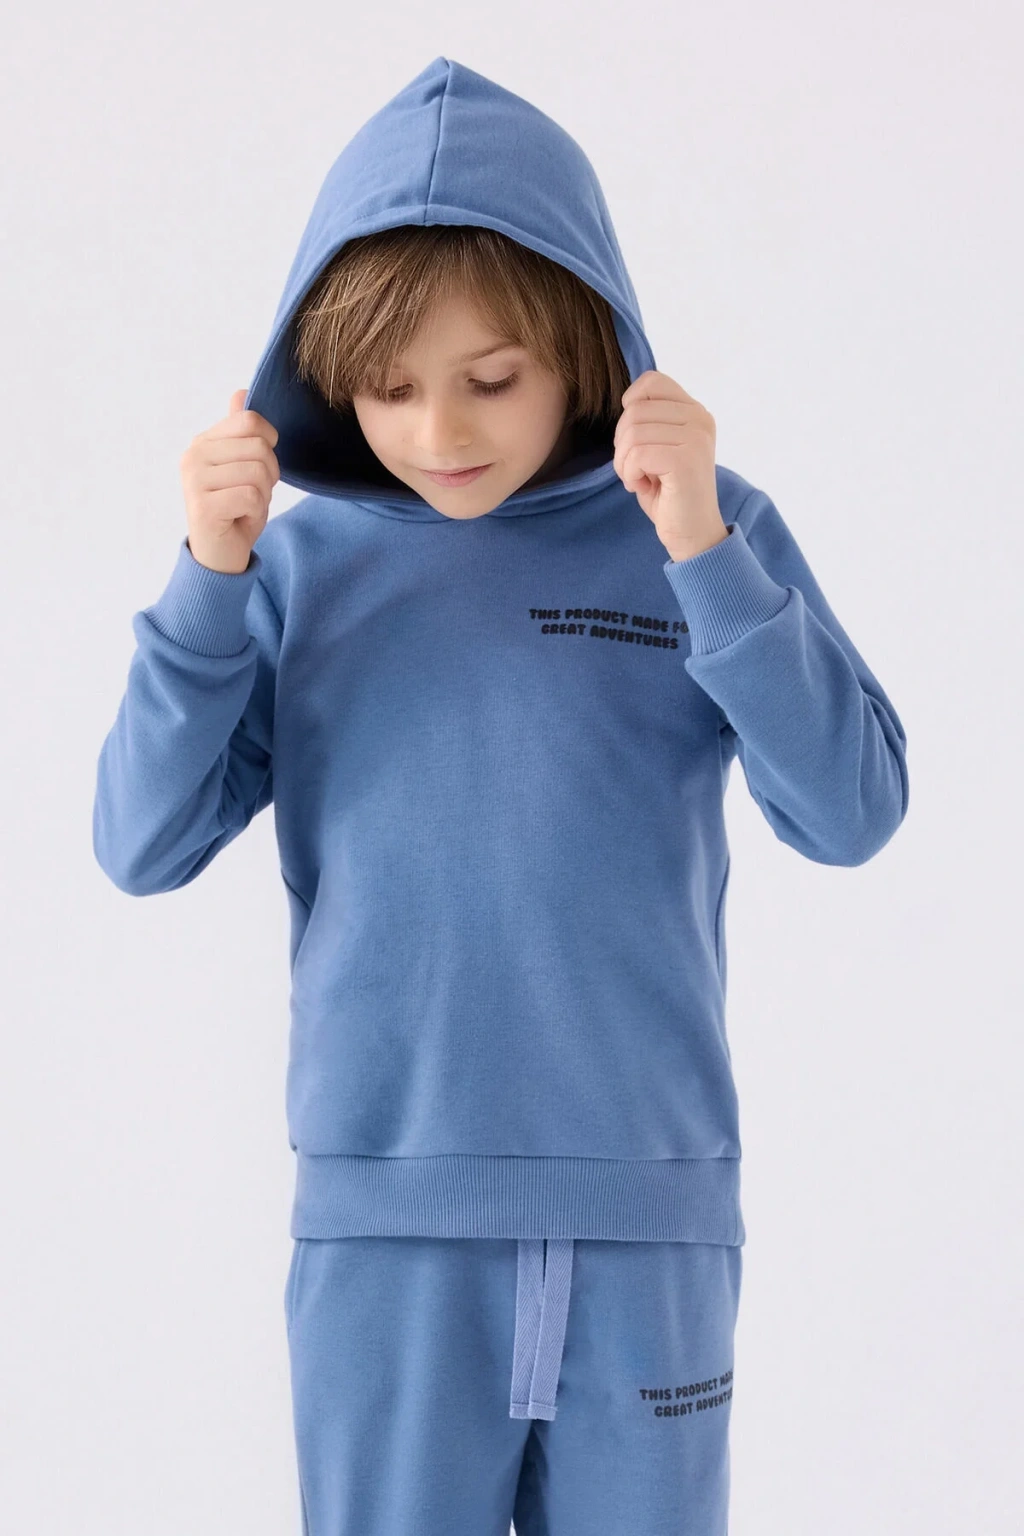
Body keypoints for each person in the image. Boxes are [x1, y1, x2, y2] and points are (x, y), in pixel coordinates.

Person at [92, 55, 909, 1536]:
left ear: (584, 349)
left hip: (651, 1221)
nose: (440, 434)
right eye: (390, 390)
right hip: (387, 1231)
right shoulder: (295, 569)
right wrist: (207, 580)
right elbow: (141, 843)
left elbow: (851, 812)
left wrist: (706, 553)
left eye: (492, 379)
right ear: (326, 381)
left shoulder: (702, 535)